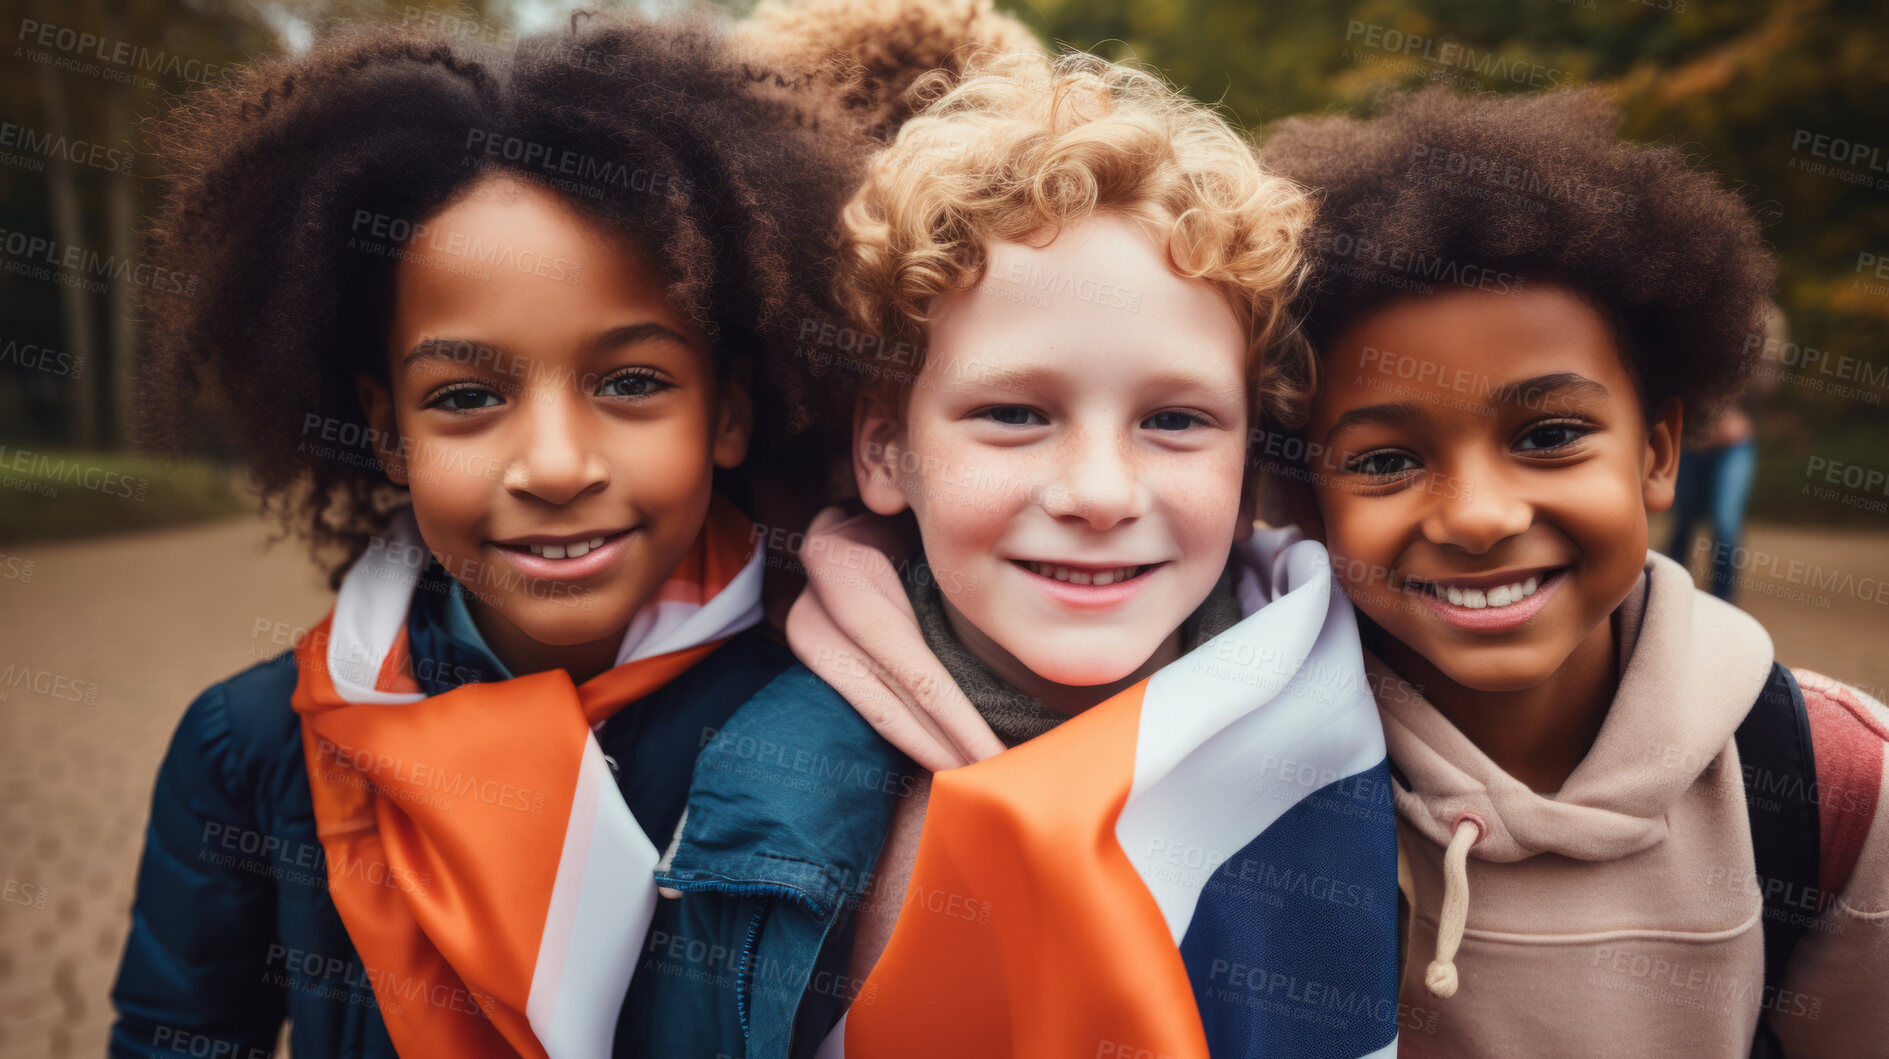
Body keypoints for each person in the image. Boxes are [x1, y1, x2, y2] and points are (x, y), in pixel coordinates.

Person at [109, 12, 872, 1056]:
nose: (555, 465)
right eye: (466, 396)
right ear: (385, 432)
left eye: (632, 382)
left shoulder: (845, 731)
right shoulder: (250, 752)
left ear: (727, 412)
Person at [655, 48, 1403, 1059]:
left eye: (1175, 421)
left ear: (1247, 479)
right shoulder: (750, 777)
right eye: (1012, 413)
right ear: (885, 450)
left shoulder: (1383, 718)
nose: (1097, 494)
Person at [1258, 87, 1889, 1058]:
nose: (1477, 517)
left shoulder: (1835, 789)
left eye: (1548, 435)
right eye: (1385, 460)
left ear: (1656, 451)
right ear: (1304, 497)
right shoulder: (1237, 777)